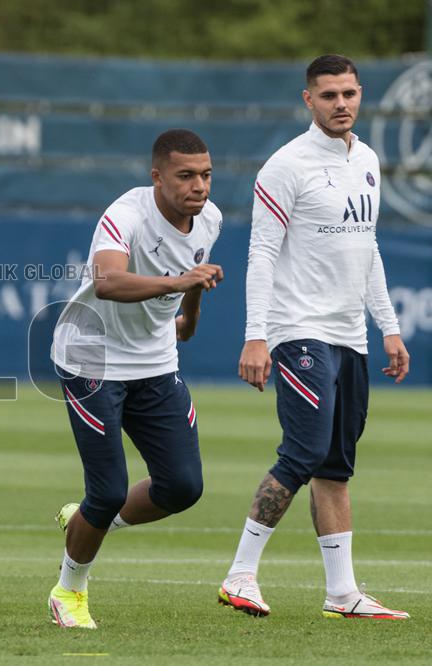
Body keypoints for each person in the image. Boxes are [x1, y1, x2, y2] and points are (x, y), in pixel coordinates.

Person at [217, 54, 409, 620]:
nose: (341, 104)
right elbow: (260, 253)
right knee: (302, 452)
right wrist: (256, 336)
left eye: (349, 93)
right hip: (298, 330)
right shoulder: (286, 165)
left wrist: (389, 328)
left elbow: (367, 248)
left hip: (350, 336)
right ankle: (240, 573)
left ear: (361, 93)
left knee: (334, 467)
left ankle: (342, 593)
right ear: (308, 100)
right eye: (328, 95)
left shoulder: (368, 159)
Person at [48, 129, 224, 629]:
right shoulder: (126, 215)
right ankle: (68, 592)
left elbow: (197, 269)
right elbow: (107, 281)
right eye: (185, 175)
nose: (199, 186)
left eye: (206, 174)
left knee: (183, 487)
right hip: (91, 360)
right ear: (157, 177)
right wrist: (179, 284)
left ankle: (85, 518)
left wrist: (187, 316)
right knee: (106, 490)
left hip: (155, 362)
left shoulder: (209, 218)